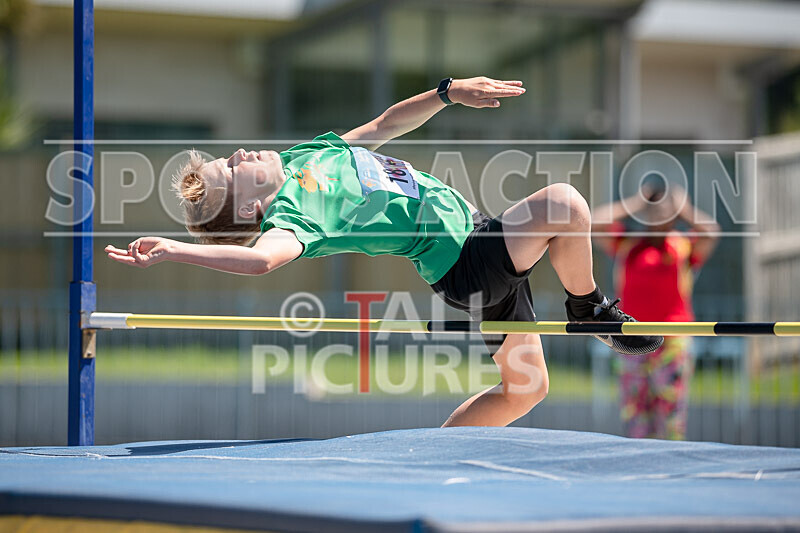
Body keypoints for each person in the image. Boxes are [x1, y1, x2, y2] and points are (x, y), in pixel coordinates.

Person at [105, 76, 663, 427]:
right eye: (232, 170)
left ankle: (435, 464)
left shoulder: (304, 158)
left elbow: (383, 125)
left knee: (526, 390)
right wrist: (176, 249)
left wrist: (447, 93)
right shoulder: (293, 216)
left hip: (478, 238)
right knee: (564, 204)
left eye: (227, 157)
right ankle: (588, 307)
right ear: (250, 209)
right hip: (468, 262)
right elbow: (261, 261)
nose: (239, 154)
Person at [592, 182, 719, 439]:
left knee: (671, 420)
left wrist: (684, 209)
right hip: (632, 341)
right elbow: (593, 224)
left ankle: (670, 465)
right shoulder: (627, 244)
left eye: (666, 211)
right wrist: (635, 203)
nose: (659, 217)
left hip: (672, 344)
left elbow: (711, 232)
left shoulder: (682, 246)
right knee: (636, 421)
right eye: (654, 211)